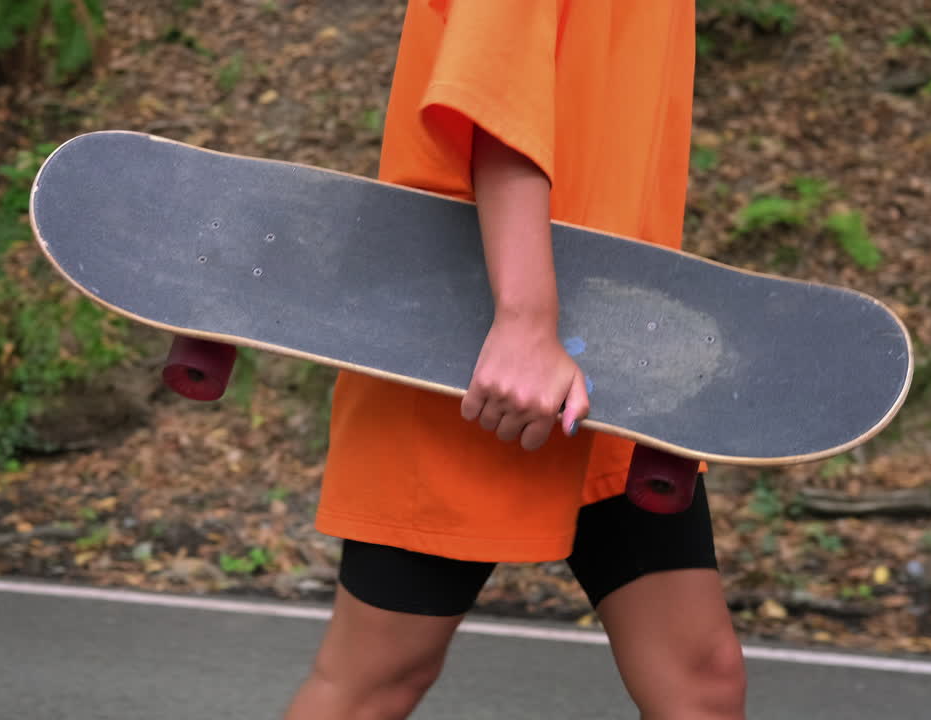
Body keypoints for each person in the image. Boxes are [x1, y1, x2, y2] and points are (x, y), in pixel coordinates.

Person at [284, 2, 747, 719]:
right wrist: (526, 324)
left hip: (612, 361)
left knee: (701, 679)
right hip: (477, 350)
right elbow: (494, 97)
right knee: (375, 682)